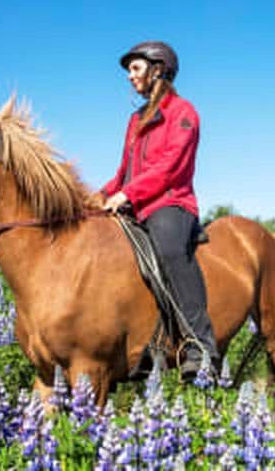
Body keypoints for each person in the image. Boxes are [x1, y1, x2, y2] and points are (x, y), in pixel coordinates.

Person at [99, 40, 219, 380]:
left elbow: (170, 168)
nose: (129, 76)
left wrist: (127, 195)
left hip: (170, 201)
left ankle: (200, 345)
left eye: (135, 68)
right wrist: (102, 194)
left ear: (158, 70)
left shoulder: (184, 112)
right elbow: (124, 171)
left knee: (168, 249)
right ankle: (149, 343)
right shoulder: (135, 119)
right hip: (137, 202)